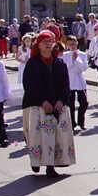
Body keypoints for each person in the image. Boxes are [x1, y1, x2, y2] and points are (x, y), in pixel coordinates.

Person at [22, 31, 74, 177]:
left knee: (56, 136)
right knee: (39, 136)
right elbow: (29, 84)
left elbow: (65, 84)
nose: (47, 44)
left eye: (50, 41)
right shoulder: (33, 63)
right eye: (44, 41)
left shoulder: (59, 62)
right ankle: (36, 161)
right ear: (38, 45)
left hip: (57, 105)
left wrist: (61, 100)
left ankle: (51, 165)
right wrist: (42, 101)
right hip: (38, 105)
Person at [63, 36, 89, 132]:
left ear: (77, 43)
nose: (72, 46)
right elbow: (65, 67)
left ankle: (81, 122)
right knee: (71, 104)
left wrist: (76, 60)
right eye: (70, 45)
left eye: (73, 44)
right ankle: (72, 123)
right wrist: (72, 61)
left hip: (79, 81)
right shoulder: (65, 55)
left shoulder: (82, 54)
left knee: (84, 103)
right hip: (69, 82)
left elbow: (83, 68)